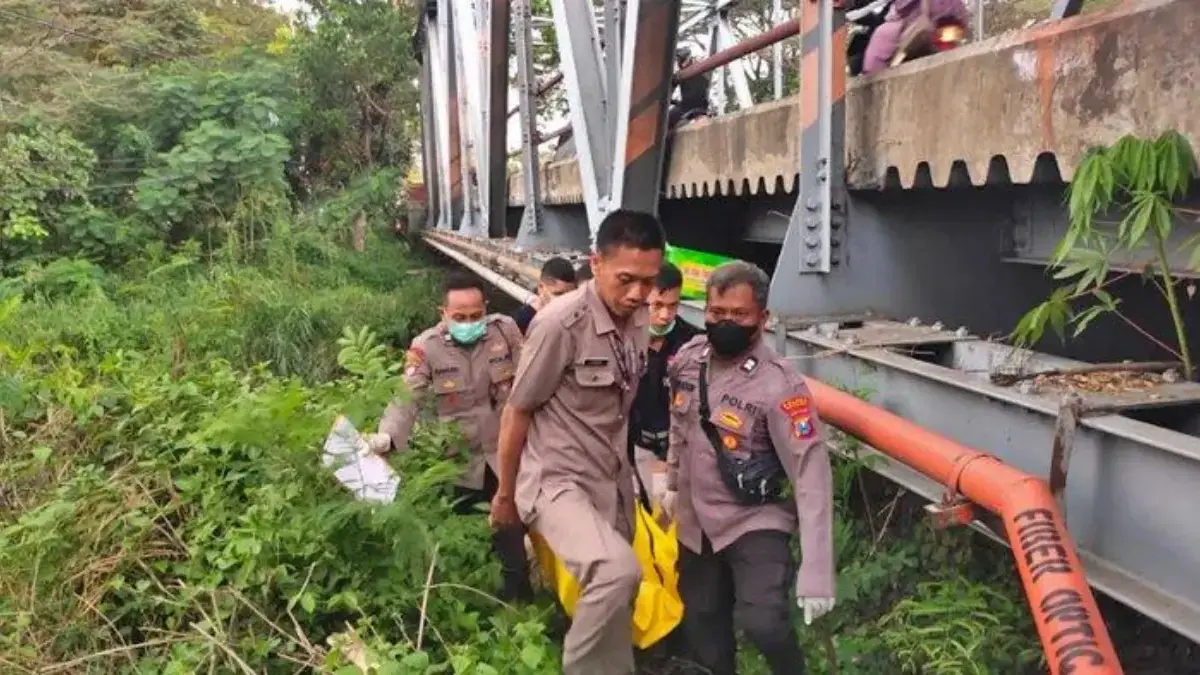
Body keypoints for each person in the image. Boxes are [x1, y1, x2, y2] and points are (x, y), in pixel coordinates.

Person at [490, 209, 667, 674]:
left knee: (619, 585)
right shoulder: (558, 326)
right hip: (557, 480)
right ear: (596, 264)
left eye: (648, 282)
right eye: (626, 279)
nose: (637, 293)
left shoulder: (639, 317)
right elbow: (517, 410)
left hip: (611, 479)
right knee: (615, 571)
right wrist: (506, 495)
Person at [662, 261, 835, 675]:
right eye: (717, 313)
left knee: (764, 621)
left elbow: (810, 476)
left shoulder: (781, 386)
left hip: (753, 519)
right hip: (694, 522)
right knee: (704, 631)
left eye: (739, 315)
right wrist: (669, 483)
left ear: (762, 317)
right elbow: (679, 428)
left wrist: (816, 574)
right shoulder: (688, 361)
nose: (726, 323)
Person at [359, 272, 533, 602]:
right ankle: (472, 606)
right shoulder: (427, 348)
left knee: (510, 537)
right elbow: (405, 399)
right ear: (443, 313)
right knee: (465, 540)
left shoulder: (505, 331)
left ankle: (521, 608)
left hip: (505, 457)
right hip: (459, 463)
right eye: (459, 317)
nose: (469, 322)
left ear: (486, 309)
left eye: (475, 315)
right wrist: (386, 438)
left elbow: (531, 380)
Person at [629, 262, 701, 510]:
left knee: (670, 514)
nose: (664, 315)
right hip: (636, 445)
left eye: (673, 306)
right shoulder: (624, 337)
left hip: (678, 450)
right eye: (657, 306)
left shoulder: (691, 342)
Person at [862, 0, 970, 75]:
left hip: (925, 18)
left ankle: (875, 91)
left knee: (881, 39)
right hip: (948, 16)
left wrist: (925, 13)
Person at [513, 257, 578, 335]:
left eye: (571, 295)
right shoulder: (521, 322)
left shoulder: (571, 317)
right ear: (541, 287)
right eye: (558, 295)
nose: (566, 302)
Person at [668, 47, 710, 131]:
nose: (679, 63)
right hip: (699, 105)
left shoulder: (684, 73)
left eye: (680, 59)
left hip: (689, 107)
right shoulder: (699, 68)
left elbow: (693, 96)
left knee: (664, 121)